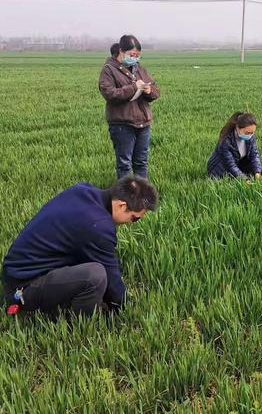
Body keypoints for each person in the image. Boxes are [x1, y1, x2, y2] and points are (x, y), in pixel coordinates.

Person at [2, 176, 158, 317]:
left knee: (104, 264)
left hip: (17, 272)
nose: (131, 223)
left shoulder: (83, 190)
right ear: (122, 206)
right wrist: (127, 309)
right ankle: (80, 325)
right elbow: (111, 278)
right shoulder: (98, 226)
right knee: (95, 275)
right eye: (134, 218)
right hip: (22, 288)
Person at [99, 35, 160, 179]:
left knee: (141, 163)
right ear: (121, 51)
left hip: (143, 123)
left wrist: (149, 91)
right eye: (132, 55)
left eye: (138, 56)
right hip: (122, 124)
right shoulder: (109, 70)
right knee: (124, 164)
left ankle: (142, 196)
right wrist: (134, 87)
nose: (135, 58)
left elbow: (156, 90)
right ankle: (125, 198)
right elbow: (110, 94)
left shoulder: (139, 69)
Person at [207, 111, 262, 179]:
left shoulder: (250, 136)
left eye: (252, 133)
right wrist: (244, 179)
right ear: (237, 128)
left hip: (238, 162)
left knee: (258, 170)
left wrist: (257, 172)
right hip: (221, 167)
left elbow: (254, 154)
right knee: (230, 179)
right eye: (247, 133)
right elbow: (230, 164)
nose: (250, 135)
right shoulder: (226, 140)